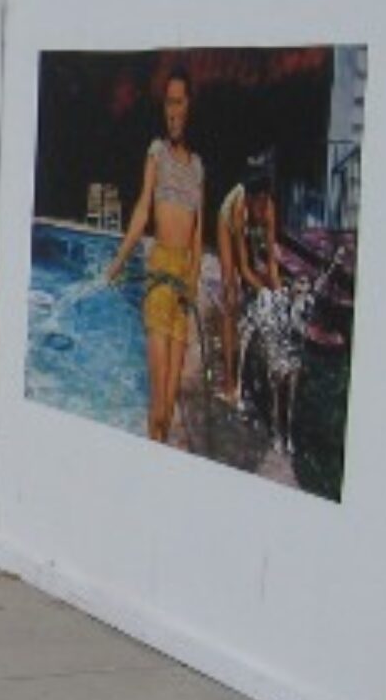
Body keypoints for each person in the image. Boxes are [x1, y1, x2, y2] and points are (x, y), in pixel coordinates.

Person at [105, 68, 204, 445]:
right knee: (159, 410)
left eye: (179, 103)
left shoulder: (198, 167)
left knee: (172, 403)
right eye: (168, 104)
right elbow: (142, 210)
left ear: (190, 106)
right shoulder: (156, 153)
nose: (172, 111)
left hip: (182, 287)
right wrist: (118, 261)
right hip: (160, 276)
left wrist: (193, 281)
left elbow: (198, 236)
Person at [215, 156, 282, 405]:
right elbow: (242, 268)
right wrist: (263, 290)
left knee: (264, 289)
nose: (263, 207)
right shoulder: (238, 209)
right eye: (259, 203)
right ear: (251, 200)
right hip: (227, 224)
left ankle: (253, 368)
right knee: (231, 296)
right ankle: (228, 381)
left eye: (266, 201)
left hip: (248, 230)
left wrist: (276, 292)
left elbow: (272, 263)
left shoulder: (269, 209)